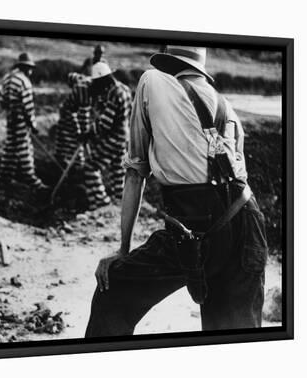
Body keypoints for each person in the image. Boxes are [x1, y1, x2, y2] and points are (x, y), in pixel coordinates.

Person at [85, 46, 268, 337]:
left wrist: (122, 250)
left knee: (114, 289)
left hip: (196, 223)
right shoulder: (227, 107)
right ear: (200, 68)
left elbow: (135, 173)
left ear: (168, 60)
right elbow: (237, 177)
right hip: (249, 224)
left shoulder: (152, 81)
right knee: (233, 341)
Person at [80, 62, 132, 210]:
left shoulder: (115, 93)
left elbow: (105, 123)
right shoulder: (125, 89)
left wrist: (88, 133)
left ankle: (102, 204)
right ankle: (120, 205)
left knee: (90, 168)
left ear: (104, 79)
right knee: (117, 172)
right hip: (124, 138)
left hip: (114, 139)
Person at [0, 53, 47, 192]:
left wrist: (10, 110)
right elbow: (28, 107)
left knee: (11, 147)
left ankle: (4, 176)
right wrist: (32, 125)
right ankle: (31, 179)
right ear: (26, 67)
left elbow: (2, 101)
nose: (31, 71)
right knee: (24, 148)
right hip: (20, 120)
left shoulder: (7, 78)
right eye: (30, 68)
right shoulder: (24, 81)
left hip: (10, 118)